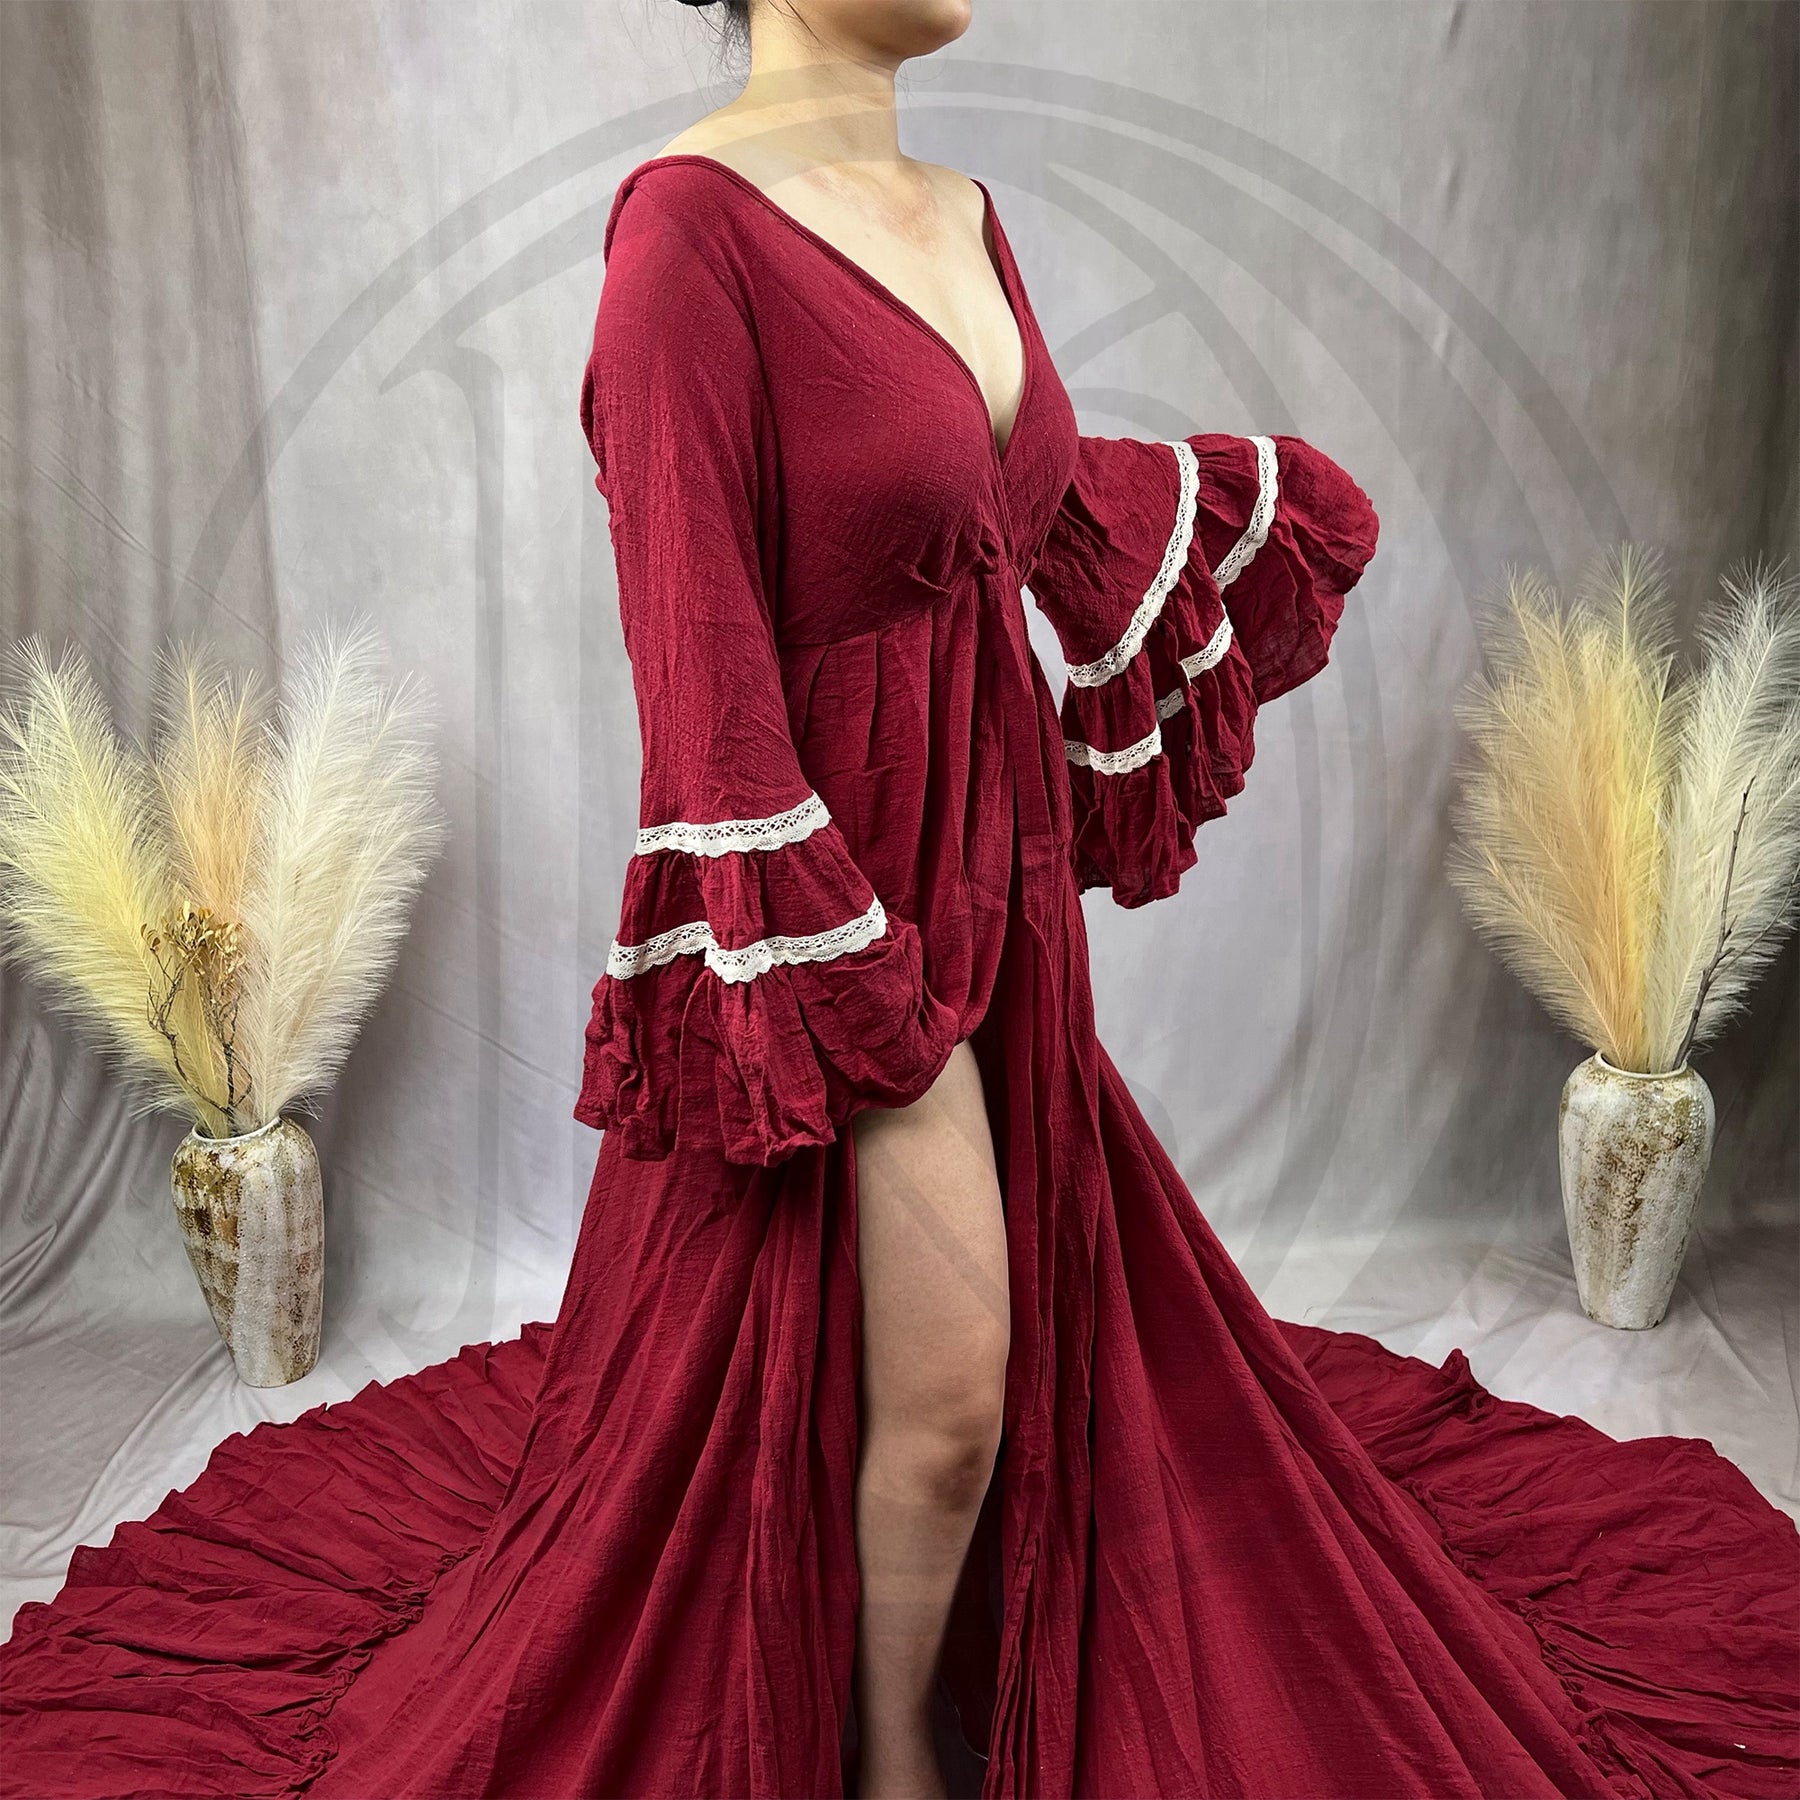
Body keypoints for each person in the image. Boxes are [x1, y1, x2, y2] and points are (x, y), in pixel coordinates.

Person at [3, 3, 1795, 1797]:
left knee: (993, 1373)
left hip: (996, 887)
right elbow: (698, 670)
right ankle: (881, 1765)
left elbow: (1024, 513)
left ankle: (936, 1685)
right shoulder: (683, 243)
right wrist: (837, 980)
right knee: (946, 1399)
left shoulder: (964, 214)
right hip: (840, 910)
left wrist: (1224, 517)